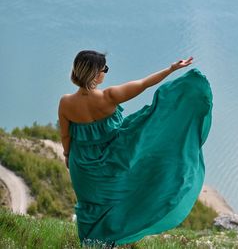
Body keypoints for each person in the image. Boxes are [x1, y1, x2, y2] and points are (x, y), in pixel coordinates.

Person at [58, 50, 213, 247]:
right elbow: (144, 83)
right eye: (104, 68)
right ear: (96, 74)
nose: (105, 72)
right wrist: (172, 69)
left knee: (89, 206)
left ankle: (89, 244)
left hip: (81, 163)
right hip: (112, 160)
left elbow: (65, 135)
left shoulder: (65, 103)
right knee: (114, 204)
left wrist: (67, 155)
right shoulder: (109, 96)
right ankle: (107, 241)